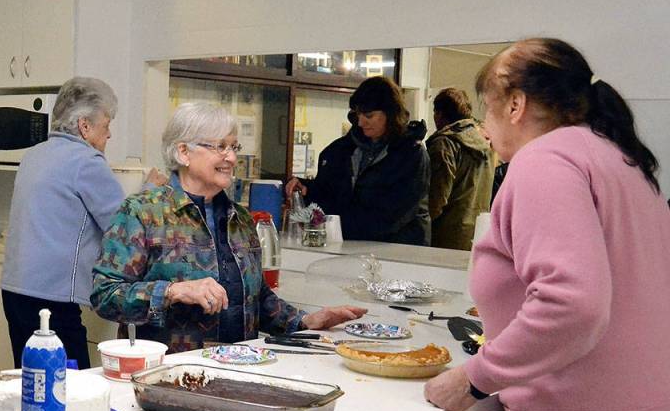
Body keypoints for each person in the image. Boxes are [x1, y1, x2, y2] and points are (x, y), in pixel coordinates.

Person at [423, 37, 670, 411]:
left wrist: (477, 376)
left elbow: (572, 302)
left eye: (486, 109)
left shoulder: (545, 161)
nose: (484, 126)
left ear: (515, 105)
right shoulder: (617, 158)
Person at [91, 102, 365, 352]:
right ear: (183, 151)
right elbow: (105, 295)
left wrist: (305, 320)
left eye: (234, 147)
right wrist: (173, 292)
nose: (231, 158)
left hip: (238, 369)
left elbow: (256, 299)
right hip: (169, 376)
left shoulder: (241, 219)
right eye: (220, 146)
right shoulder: (142, 212)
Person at [1, 76, 165, 370]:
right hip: (53, 297)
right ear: (84, 126)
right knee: (73, 386)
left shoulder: (33, 155)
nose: (110, 134)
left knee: (32, 379)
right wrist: (150, 191)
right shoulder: (86, 161)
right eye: (106, 124)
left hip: (15, 290)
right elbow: (123, 226)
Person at [284, 76, 430, 245]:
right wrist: (306, 189)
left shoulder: (411, 155)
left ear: (390, 114)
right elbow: (328, 193)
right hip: (344, 247)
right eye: (358, 114)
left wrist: (336, 226)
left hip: (398, 252)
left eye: (369, 115)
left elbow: (392, 216)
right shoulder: (338, 151)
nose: (361, 122)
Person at [425, 87, 494, 250]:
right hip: (476, 233)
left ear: (439, 114)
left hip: (445, 235)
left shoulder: (444, 144)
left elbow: (437, 198)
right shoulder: (485, 143)